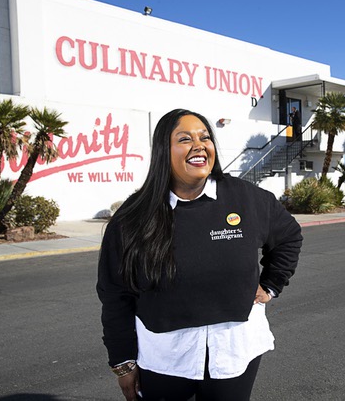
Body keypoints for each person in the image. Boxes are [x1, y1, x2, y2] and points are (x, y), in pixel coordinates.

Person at [97, 108, 303, 401]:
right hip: (164, 360)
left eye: (205, 137)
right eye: (184, 139)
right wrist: (123, 362)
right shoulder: (132, 217)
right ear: (162, 152)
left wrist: (271, 285)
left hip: (234, 354)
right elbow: (115, 294)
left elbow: (289, 237)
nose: (199, 144)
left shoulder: (247, 198)